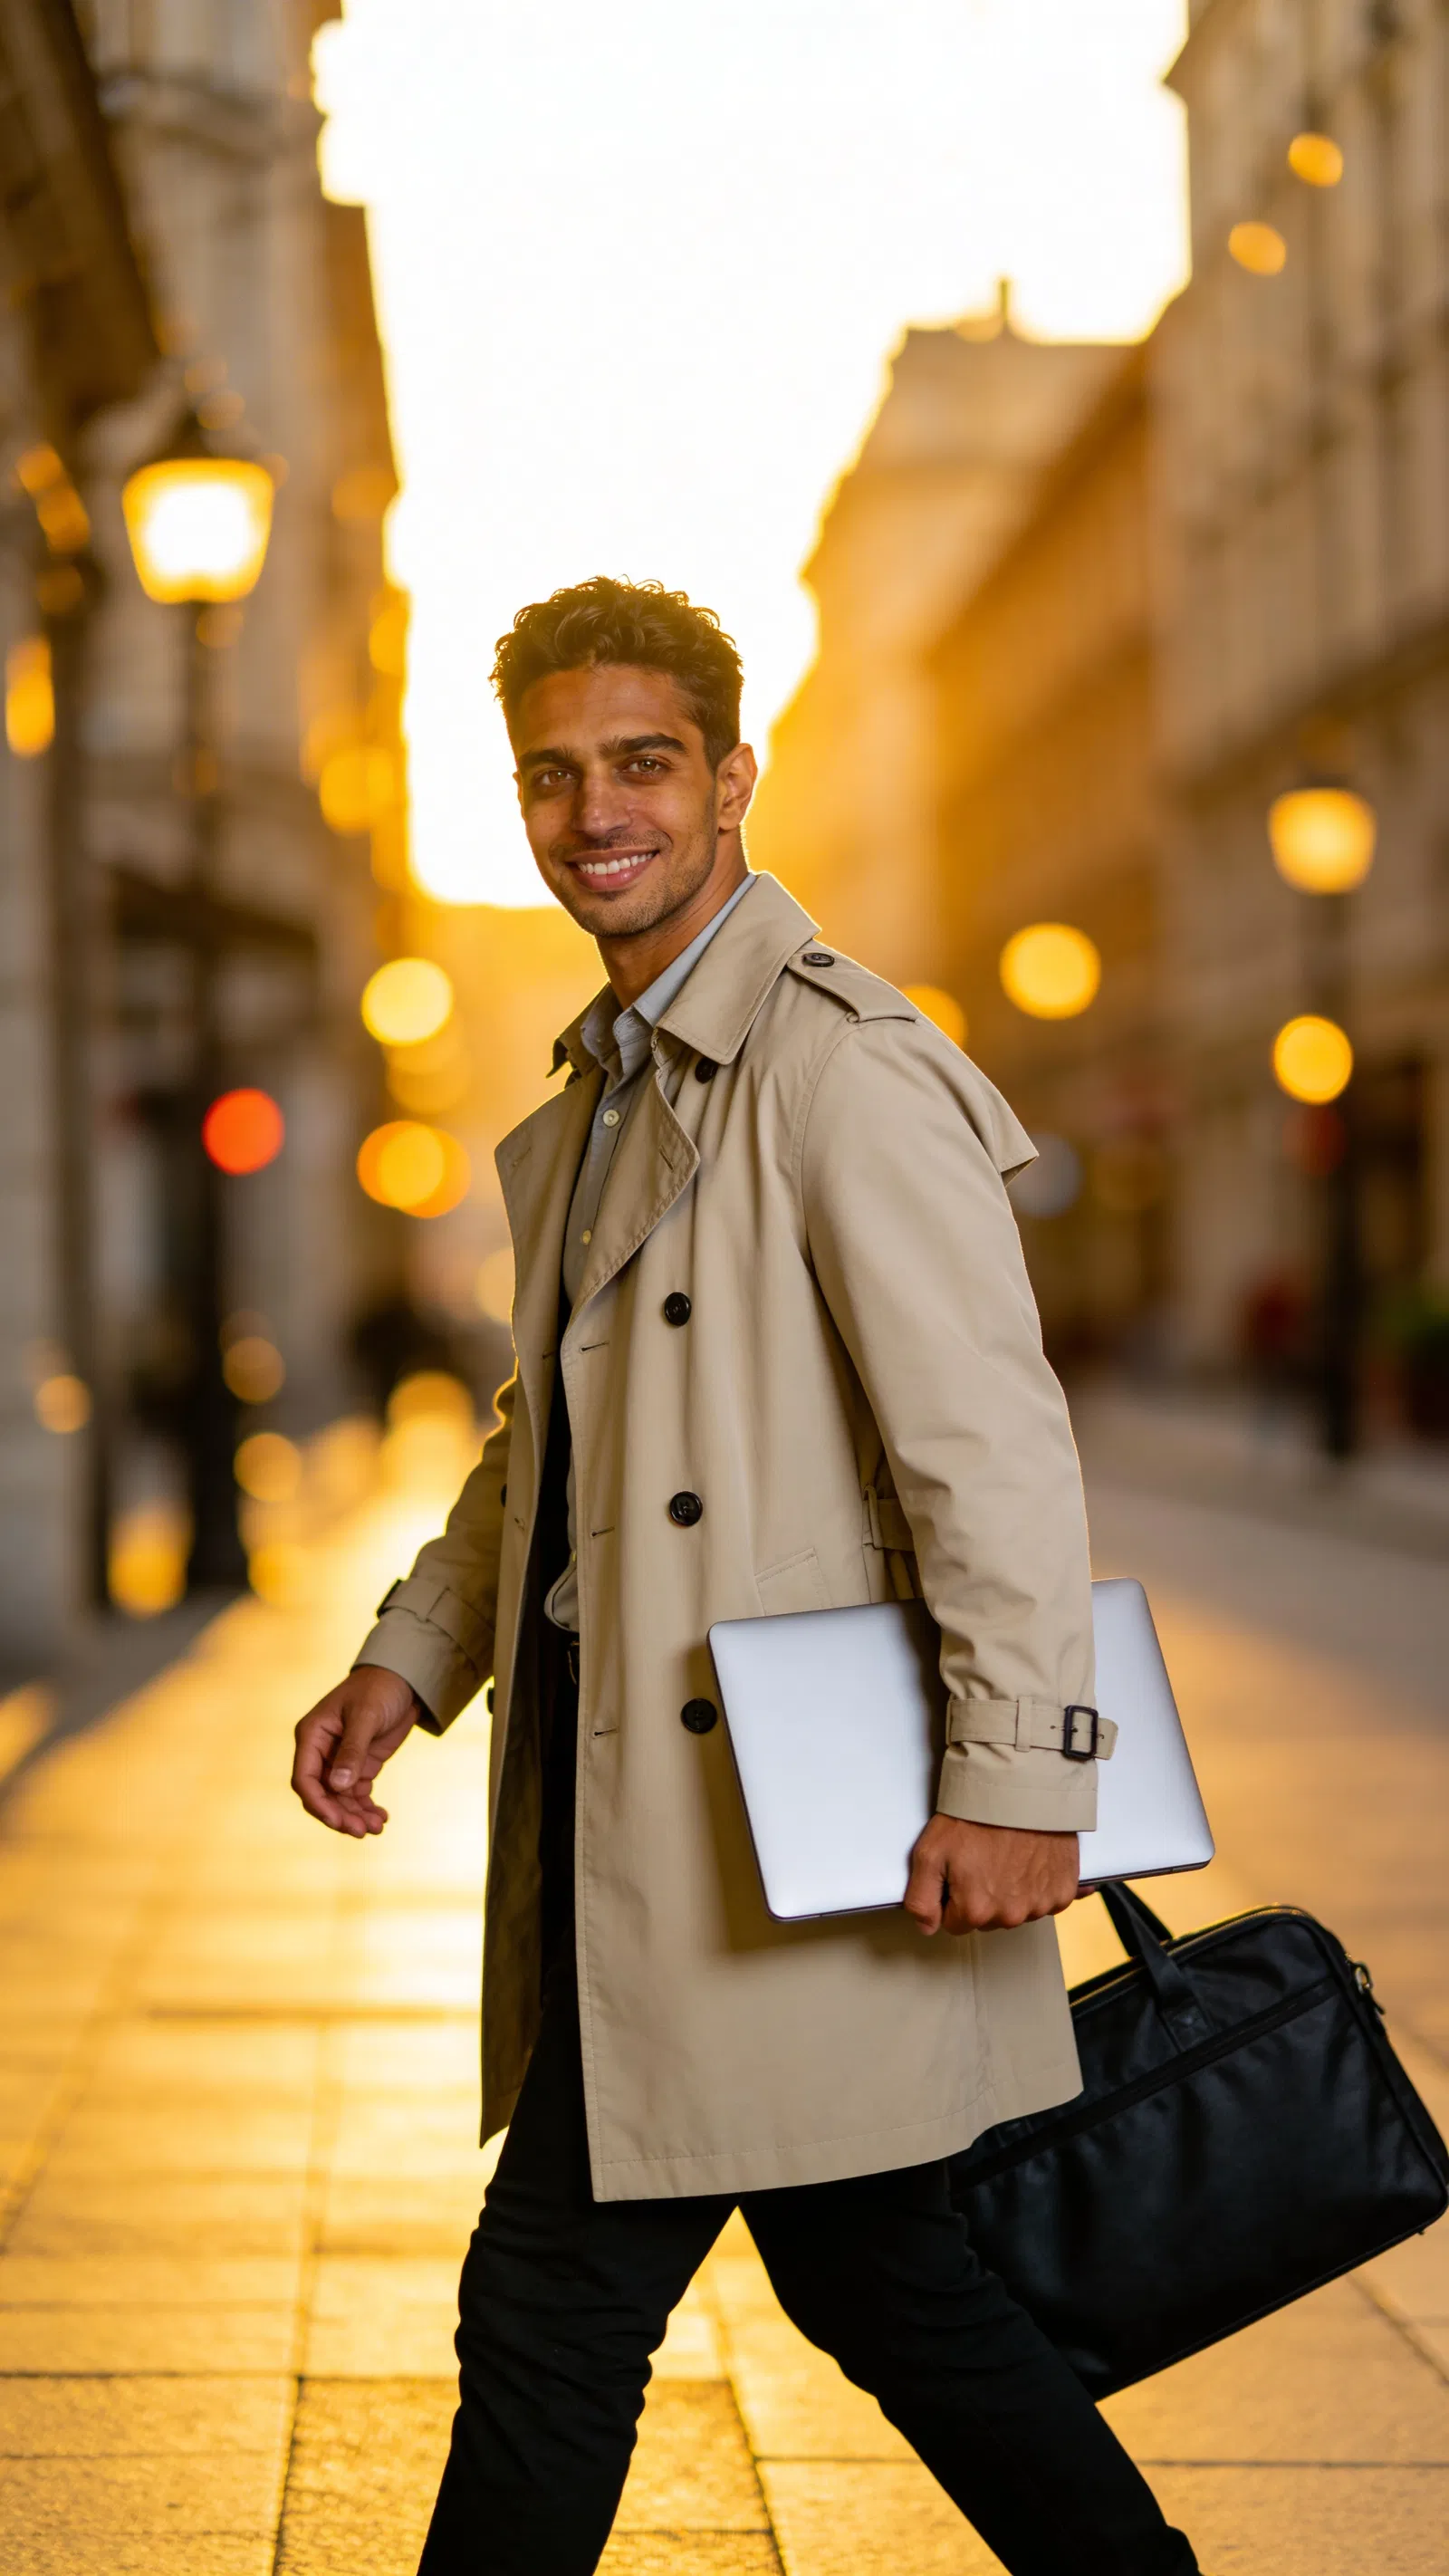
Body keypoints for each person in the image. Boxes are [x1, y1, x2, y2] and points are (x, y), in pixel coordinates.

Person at [292, 577, 1199, 2576]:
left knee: (556, 2313)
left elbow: (989, 1454)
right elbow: (548, 1446)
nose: (591, 809)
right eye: (551, 772)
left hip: (792, 1830)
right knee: (892, 2292)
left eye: (638, 764)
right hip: (680, 1826)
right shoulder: (606, 1093)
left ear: (730, 782)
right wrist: (410, 1658)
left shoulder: (838, 1069)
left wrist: (1018, 1778)